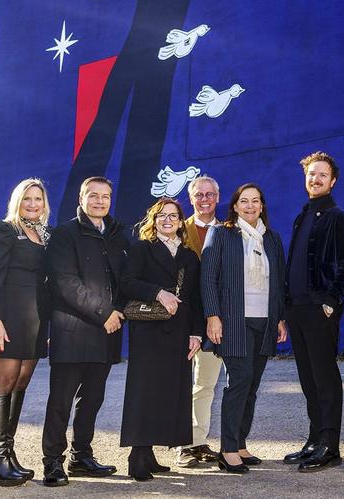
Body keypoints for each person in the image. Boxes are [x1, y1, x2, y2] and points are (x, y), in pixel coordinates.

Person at [41, 176, 129, 486]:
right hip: (72, 331)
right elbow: (66, 283)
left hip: (106, 333)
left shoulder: (118, 235)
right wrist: (105, 313)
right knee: (61, 401)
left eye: (105, 196)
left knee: (92, 399)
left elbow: (125, 281)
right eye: (93, 195)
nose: (100, 201)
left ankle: (81, 457)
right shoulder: (65, 234)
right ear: (81, 199)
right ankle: (53, 462)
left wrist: (119, 311)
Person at [201, 183, 289, 474]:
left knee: (251, 385)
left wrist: (279, 318)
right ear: (235, 206)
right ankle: (227, 450)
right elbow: (208, 278)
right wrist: (213, 316)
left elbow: (279, 282)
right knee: (240, 381)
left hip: (264, 320)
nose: (250, 206)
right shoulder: (221, 234)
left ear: (262, 206)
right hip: (233, 321)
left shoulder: (272, 239)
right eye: (244, 201)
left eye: (255, 201)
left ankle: (239, 444)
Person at [119, 198, 204, 481]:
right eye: (161, 215)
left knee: (168, 393)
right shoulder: (142, 249)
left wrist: (196, 333)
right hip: (148, 331)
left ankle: (149, 453)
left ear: (181, 222)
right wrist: (158, 292)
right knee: (144, 392)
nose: (167, 220)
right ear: (153, 220)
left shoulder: (190, 256)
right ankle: (137, 456)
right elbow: (127, 282)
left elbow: (195, 299)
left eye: (173, 216)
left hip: (179, 333)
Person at [283, 152, 344, 472]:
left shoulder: (339, 218)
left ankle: (330, 445)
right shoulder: (303, 215)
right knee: (308, 378)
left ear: (333, 180)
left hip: (319, 310)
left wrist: (330, 301)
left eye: (322, 175)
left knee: (325, 377)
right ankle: (314, 439)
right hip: (296, 309)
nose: (315, 179)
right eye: (311, 174)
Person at [0, 178, 53, 486]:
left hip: (35, 320)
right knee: (5, 382)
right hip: (8, 318)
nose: (33, 204)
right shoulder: (4, 230)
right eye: (27, 198)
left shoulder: (46, 235)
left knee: (21, 383)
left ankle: (7, 454)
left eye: (38, 199)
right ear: (17, 202)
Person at [177, 175, 225, 468]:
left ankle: (197, 441)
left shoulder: (230, 231)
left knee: (205, 384)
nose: (204, 199)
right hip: (181, 319)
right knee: (179, 383)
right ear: (191, 198)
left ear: (217, 198)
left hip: (216, 320)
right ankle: (182, 445)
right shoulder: (178, 229)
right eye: (199, 194)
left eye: (209, 194)